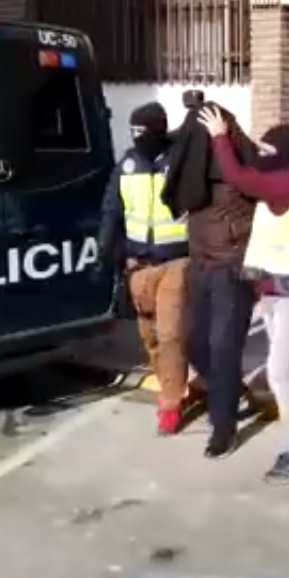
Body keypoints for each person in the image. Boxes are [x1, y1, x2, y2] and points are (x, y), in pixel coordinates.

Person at [197, 106, 289, 483]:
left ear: (285, 154)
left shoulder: (287, 182)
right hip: (276, 284)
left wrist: (221, 137)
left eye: (269, 152)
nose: (263, 156)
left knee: (278, 369)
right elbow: (253, 166)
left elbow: (238, 177)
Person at [160, 90, 262, 458]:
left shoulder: (241, 167)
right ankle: (232, 393)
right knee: (193, 342)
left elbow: (261, 177)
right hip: (200, 267)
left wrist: (225, 137)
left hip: (233, 270)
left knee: (223, 348)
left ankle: (224, 428)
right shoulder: (192, 173)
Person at [98, 102, 191, 435]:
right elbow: (112, 209)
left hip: (177, 261)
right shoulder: (127, 164)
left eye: (142, 131)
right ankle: (172, 381)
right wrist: (107, 250)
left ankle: (171, 402)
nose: (137, 137)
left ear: (158, 129)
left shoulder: (178, 161)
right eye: (133, 131)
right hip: (138, 264)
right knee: (149, 336)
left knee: (170, 334)